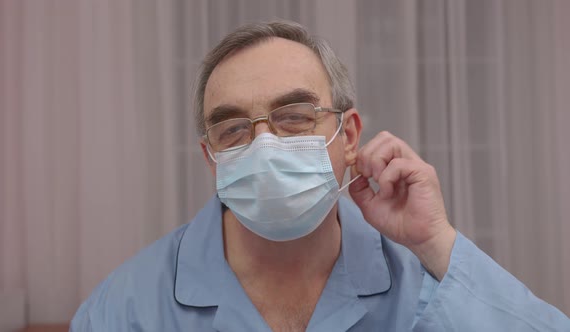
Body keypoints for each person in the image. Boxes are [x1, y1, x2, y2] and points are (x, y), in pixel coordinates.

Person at [70, 20, 569, 331]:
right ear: (211, 156)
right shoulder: (124, 311)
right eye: (233, 128)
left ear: (348, 136)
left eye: (294, 116)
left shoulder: (424, 288)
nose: (265, 144)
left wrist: (436, 241)